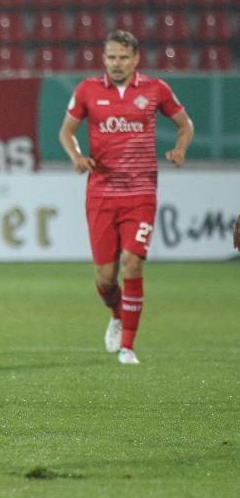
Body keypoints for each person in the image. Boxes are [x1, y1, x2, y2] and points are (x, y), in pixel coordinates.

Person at [59, 30, 194, 366]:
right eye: (111, 57)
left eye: (122, 57)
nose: (116, 63)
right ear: (103, 60)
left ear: (135, 59)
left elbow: (185, 124)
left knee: (132, 264)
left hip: (141, 193)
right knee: (105, 278)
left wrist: (179, 149)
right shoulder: (87, 90)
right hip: (101, 193)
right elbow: (66, 132)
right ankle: (117, 314)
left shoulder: (155, 90)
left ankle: (127, 347)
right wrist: (77, 157)